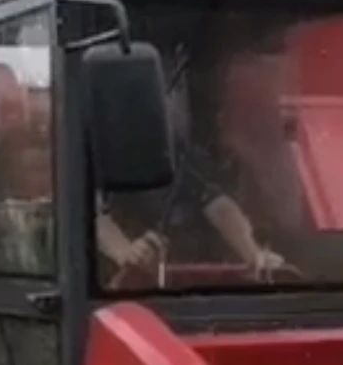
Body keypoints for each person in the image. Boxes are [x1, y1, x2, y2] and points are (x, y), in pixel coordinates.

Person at [96, 41, 286, 283]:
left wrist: (254, 254)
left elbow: (215, 201)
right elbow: (94, 217)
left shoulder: (175, 150)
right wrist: (125, 252)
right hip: (103, 284)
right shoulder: (93, 143)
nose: (168, 104)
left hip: (170, 276)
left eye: (173, 90)